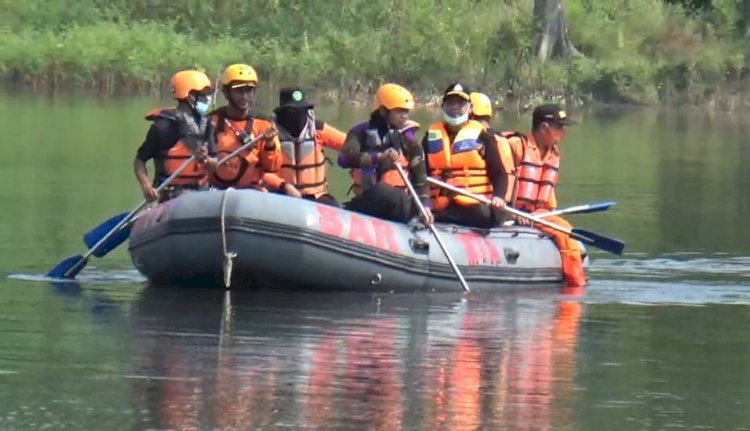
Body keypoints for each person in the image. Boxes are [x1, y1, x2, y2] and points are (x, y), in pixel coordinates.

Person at [502, 104, 586, 287]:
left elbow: (548, 196)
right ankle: (576, 288)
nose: (563, 134)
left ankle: (575, 281)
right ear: (544, 128)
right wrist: (510, 211)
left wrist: (547, 213)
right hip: (508, 210)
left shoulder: (553, 154)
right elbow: (501, 181)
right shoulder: (516, 146)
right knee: (566, 235)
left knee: (566, 231)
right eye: (560, 127)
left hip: (537, 214)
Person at [337, 83, 433, 225]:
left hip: (399, 205)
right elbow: (344, 159)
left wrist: (425, 205)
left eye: (406, 111)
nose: (404, 116)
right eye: (399, 111)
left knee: (392, 195)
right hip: (370, 201)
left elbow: (420, 178)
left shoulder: (409, 139)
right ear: (383, 110)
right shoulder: (359, 133)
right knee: (383, 191)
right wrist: (378, 158)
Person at [423, 83, 510, 229]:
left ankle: (443, 219)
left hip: (474, 206)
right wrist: (424, 204)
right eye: (450, 103)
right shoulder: (430, 136)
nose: (455, 107)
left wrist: (499, 196)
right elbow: (421, 174)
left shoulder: (483, 135)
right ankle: (437, 216)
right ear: (443, 106)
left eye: (461, 103)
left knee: (483, 214)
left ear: (469, 108)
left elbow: (500, 174)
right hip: (441, 205)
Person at [207, 63, 299, 197]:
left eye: (248, 90)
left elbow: (272, 167)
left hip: (251, 193)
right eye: (238, 91)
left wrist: (269, 144)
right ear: (226, 93)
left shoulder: (264, 123)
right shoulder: (211, 122)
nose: (244, 96)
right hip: (215, 192)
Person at [134, 70, 217, 203]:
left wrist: (205, 159)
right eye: (202, 95)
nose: (206, 100)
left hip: (201, 194)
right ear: (189, 96)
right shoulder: (164, 127)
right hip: (171, 196)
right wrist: (146, 186)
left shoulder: (207, 125)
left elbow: (215, 165)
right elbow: (140, 160)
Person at [273, 87, 346, 206]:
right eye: (291, 112)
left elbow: (349, 145)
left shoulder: (318, 129)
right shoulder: (270, 133)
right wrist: (283, 186)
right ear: (282, 113)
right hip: (280, 194)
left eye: (302, 111)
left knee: (333, 206)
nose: (297, 116)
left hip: (316, 196)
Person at [469, 91, 518, 209]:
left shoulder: (480, 139)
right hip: (507, 206)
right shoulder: (504, 140)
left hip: (486, 206)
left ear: (470, 114)